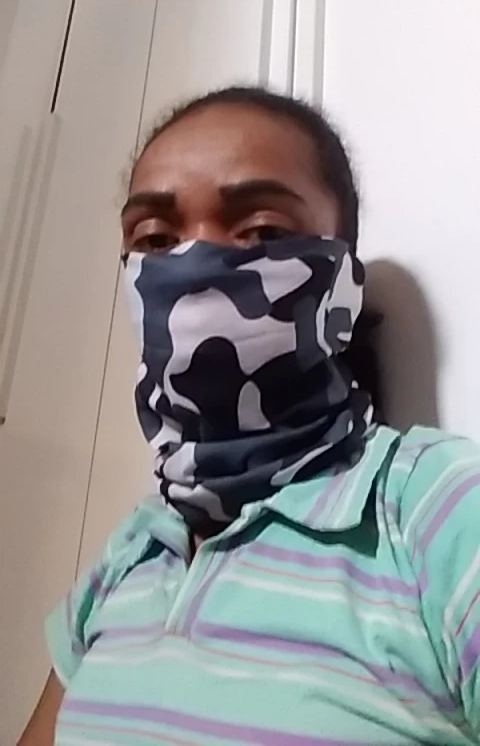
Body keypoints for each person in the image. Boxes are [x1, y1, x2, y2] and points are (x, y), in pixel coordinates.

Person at [19, 86, 480, 746]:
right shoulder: (133, 549)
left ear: (342, 284)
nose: (195, 265)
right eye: (155, 238)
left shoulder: (435, 509)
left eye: (263, 231)